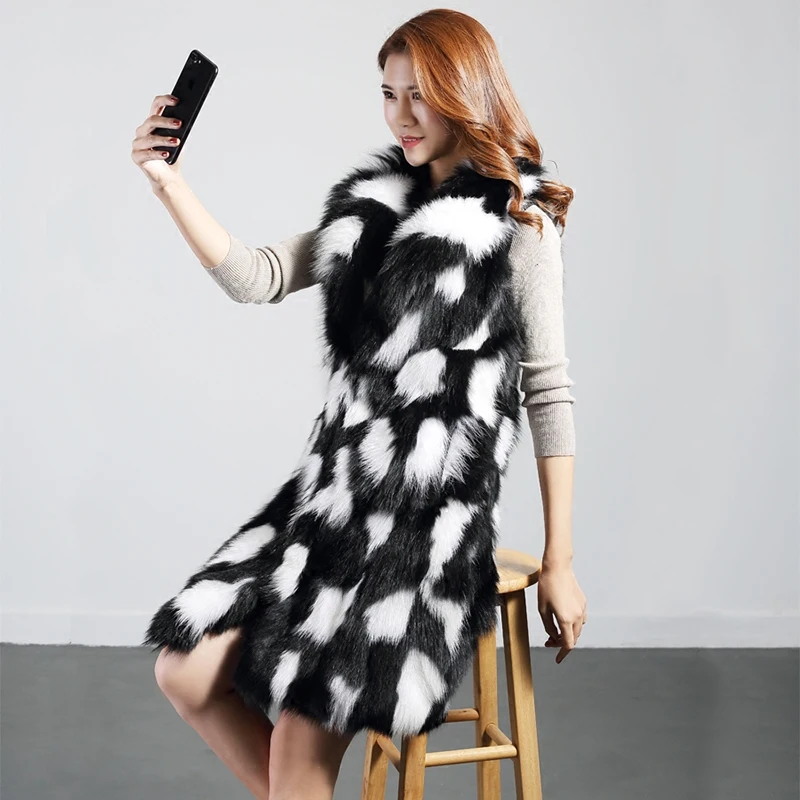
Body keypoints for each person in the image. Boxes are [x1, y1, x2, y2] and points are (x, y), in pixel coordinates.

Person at [130, 10, 587, 800]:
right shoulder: (371, 209)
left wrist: (561, 562)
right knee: (185, 671)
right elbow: (258, 276)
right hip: (328, 504)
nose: (401, 115)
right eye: (387, 93)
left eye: (421, 96)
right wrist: (167, 182)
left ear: (465, 93)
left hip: (418, 533)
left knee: (301, 738)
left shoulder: (518, 224)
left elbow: (548, 390)